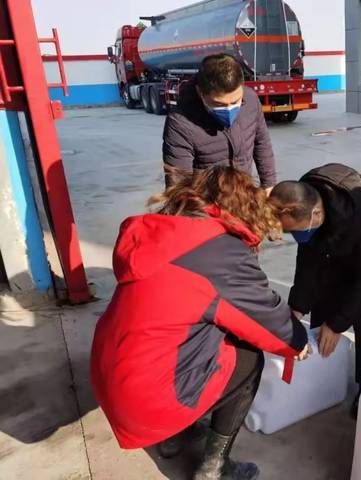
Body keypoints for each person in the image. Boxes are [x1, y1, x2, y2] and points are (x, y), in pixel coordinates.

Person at [90, 167, 309, 480]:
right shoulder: (220, 252)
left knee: (199, 331)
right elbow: (269, 321)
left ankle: (173, 437)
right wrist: (298, 341)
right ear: (243, 205)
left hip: (110, 377)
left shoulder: (162, 233)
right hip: (146, 402)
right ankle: (213, 469)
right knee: (248, 357)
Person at [268, 163, 361, 417]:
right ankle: (322, 371)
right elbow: (308, 263)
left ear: (317, 214)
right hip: (346, 234)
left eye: (297, 230)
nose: (296, 237)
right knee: (324, 299)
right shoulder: (307, 198)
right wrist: (297, 308)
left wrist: (337, 324)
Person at [162, 54, 277, 191]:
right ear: (200, 93)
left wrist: (269, 184)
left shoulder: (251, 100)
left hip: (243, 195)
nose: (229, 109)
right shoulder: (180, 123)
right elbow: (178, 186)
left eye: (235, 102)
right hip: (205, 201)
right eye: (219, 104)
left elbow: (262, 143)